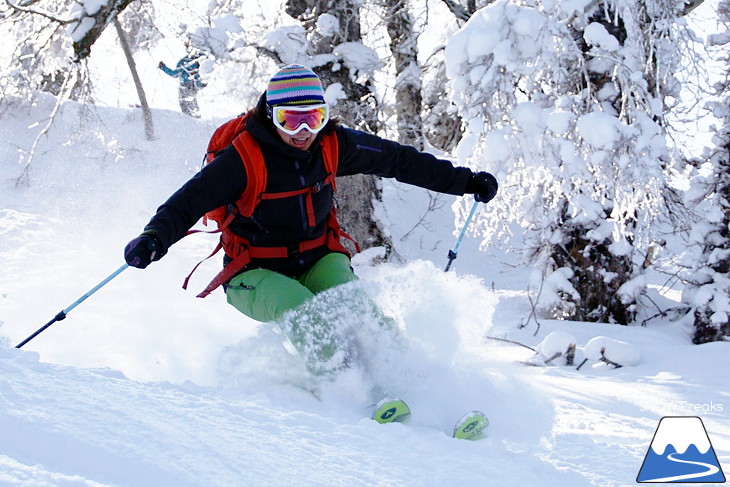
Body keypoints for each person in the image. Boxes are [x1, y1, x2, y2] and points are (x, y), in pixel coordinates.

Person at [125, 64, 498, 374]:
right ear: (272, 117)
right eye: (291, 121)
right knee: (304, 310)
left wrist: (464, 182)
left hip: (317, 257)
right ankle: (348, 391)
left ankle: (407, 379)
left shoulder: (333, 143)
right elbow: (187, 203)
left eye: (314, 119)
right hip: (253, 272)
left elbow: (397, 160)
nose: (303, 133)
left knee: (359, 311)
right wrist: (154, 237)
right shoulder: (243, 159)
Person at [159, 46, 207, 118]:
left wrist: (163, 67)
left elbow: (174, 74)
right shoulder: (203, 59)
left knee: (185, 104)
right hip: (196, 85)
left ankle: (189, 119)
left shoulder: (183, 62)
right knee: (192, 103)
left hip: (185, 85)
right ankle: (197, 118)